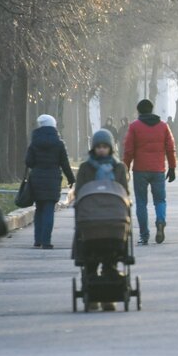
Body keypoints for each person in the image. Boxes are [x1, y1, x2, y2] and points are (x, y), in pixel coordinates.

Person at [72, 129, 130, 311]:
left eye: (105, 147)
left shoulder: (119, 168)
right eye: (98, 147)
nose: (102, 150)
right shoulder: (85, 168)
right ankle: (93, 294)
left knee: (110, 259)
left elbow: (125, 192)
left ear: (111, 148)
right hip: (91, 221)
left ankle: (108, 297)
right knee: (91, 260)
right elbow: (80, 191)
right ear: (93, 148)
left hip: (113, 221)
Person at [122, 99, 177, 245]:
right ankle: (160, 221)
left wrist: (125, 168)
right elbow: (170, 148)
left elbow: (128, 150)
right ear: (152, 110)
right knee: (160, 200)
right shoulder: (163, 126)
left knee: (141, 203)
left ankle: (144, 235)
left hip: (140, 170)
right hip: (158, 169)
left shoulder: (134, 127)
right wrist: (172, 167)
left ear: (139, 111)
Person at [25, 114, 76, 249]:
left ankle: (37, 239)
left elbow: (28, 162)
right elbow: (64, 163)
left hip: (37, 179)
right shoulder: (59, 143)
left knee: (39, 208)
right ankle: (46, 241)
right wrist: (71, 179)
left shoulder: (34, 142)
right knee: (48, 210)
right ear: (54, 126)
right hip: (52, 179)